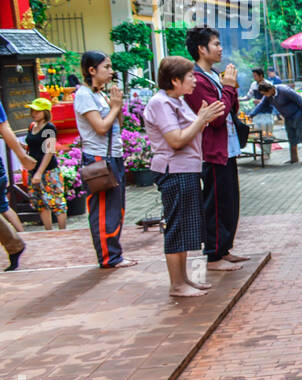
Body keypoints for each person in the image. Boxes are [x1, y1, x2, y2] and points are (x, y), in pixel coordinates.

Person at [145, 56, 227, 297]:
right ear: (174, 80)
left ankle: (184, 279)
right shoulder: (160, 104)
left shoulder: (176, 101)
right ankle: (176, 284)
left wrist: (202, 120)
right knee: (176, 227)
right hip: (174, 170)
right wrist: (201, 119)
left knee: (186, 227)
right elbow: (176, 140)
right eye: (190, 76)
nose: (194, 80)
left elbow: (188, 134)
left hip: (187, 170)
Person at [185, 27, 246, 272]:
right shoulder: (196, 80)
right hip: (212, 150)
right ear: (202, 49)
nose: (221, 49)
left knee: (230, 201)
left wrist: (230, 88)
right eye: (216, 44)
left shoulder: (213, 75)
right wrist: (229, 88)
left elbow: (229, 107)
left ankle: (224, 248)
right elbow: (216, 116)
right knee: (216, 203)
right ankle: (212, 254)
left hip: (227, 147)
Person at [74, 51, 135, 268]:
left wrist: (116, 105)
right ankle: (109, 257)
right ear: (92, 70)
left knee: (116, 207)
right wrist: (116, 107)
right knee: (103, 209)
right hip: (98, 157)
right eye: (106, 67)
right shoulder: (84, 95)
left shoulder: (100, 94)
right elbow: (100, 127)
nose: (111, 71)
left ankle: (115, 253)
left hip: (113, 155)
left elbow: (117, 122)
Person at [0, 99, 36, 270]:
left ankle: (14, 244)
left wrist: (22, 157)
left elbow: (4, 127)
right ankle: (14, 245)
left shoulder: (49, 130)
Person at [24, 98, 67, 231]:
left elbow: (49, 151)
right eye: (33, 111)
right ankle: (48, 231)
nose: (34, 113)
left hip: (48, 170)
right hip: (34, 169)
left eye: (37, 111)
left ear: (45, 112)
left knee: (57, 201)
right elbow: (31, 146)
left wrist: (40, 172)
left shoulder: (49, 128)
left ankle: (63, 231)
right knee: (41, 202)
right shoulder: (32, 126)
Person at [252, 81, 302, 163]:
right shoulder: (268, 96)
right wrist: (251, 114)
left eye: (265, 93)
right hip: (287, 117)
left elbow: (299, 99)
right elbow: (261, 105)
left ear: (271, 89)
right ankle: (294, 158)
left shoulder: (284, 90)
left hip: (298, 114)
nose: (265, 96)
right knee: (291, 137)